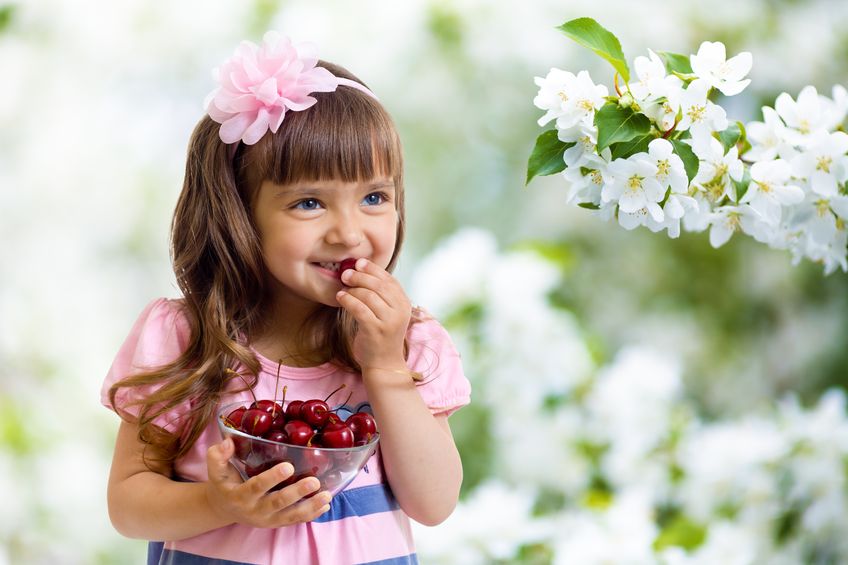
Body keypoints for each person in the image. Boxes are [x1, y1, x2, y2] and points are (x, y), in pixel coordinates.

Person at [102, 32, 471, 565]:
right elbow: (127, 504)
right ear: (239, 214)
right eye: (307, 203)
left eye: (374, 197)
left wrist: (387, 369)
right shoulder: (186, 339)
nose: (348, 233)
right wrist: (219, 501)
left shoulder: (409, 344)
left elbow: (434, 503)